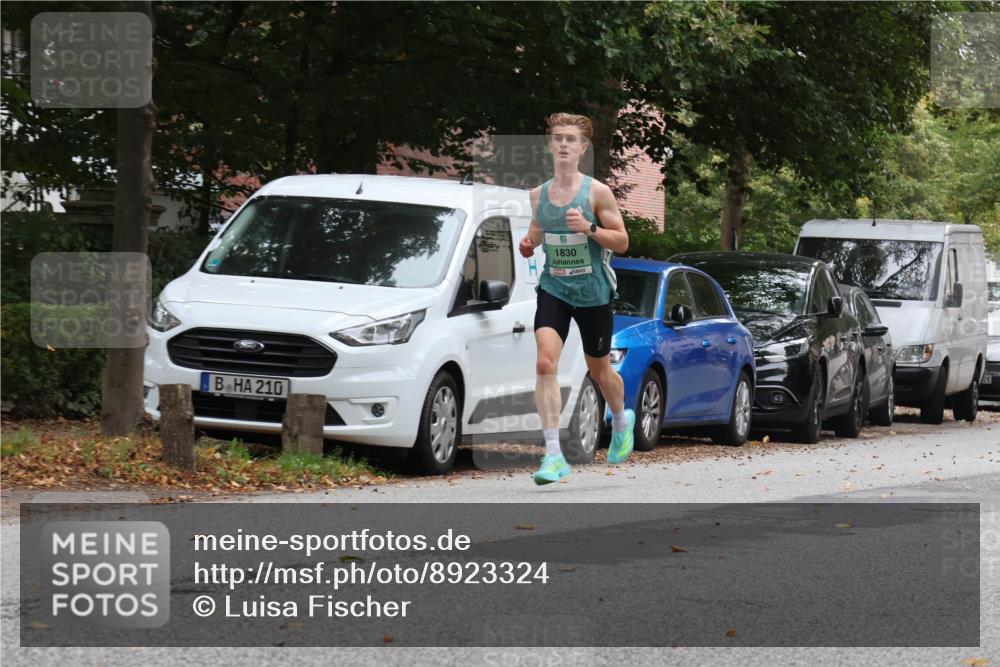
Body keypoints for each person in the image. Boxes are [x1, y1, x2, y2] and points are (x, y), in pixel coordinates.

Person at [518, 112, 634, 486]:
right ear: (551, 146)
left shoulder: (597, 193)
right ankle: (553, 454)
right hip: (554, 289)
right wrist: (528, 243)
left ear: (583, 148)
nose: (564, 144)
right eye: (558, 138)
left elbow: (622, 241)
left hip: (594, 294)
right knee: (543, 362)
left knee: (600, 371)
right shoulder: (538, 195)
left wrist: (589, 229)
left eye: (572, 139)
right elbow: (537, 231)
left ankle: (620, 419)